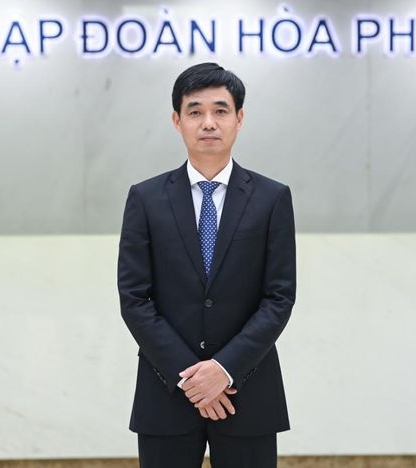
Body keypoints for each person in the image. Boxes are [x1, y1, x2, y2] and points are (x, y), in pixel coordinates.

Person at [117, 62, 296, 468]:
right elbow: (134, 298)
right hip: (167, 392)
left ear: (239, 119)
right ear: (177, 121)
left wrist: (224, 370)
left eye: (221, 110)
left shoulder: (271, 198)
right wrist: (192, 377)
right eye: (195, 111)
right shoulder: (146, 198)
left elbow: (279, 298)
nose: (209, 122)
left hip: (247, 391)